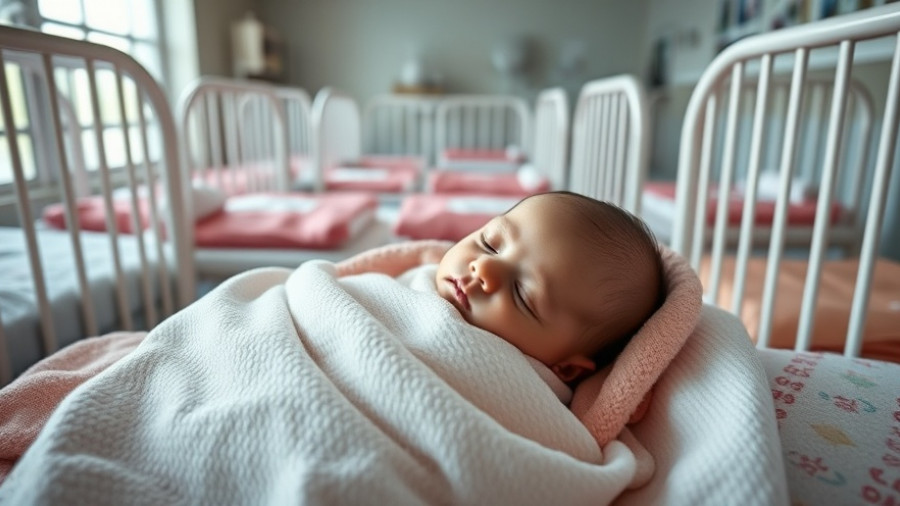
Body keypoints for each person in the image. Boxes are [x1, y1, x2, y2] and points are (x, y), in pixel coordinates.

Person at [434, 190, 665, 387]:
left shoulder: (520, 394)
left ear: (566, 369)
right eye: (489, 244)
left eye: (521, 295)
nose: (483, 267)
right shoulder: (416, 270)